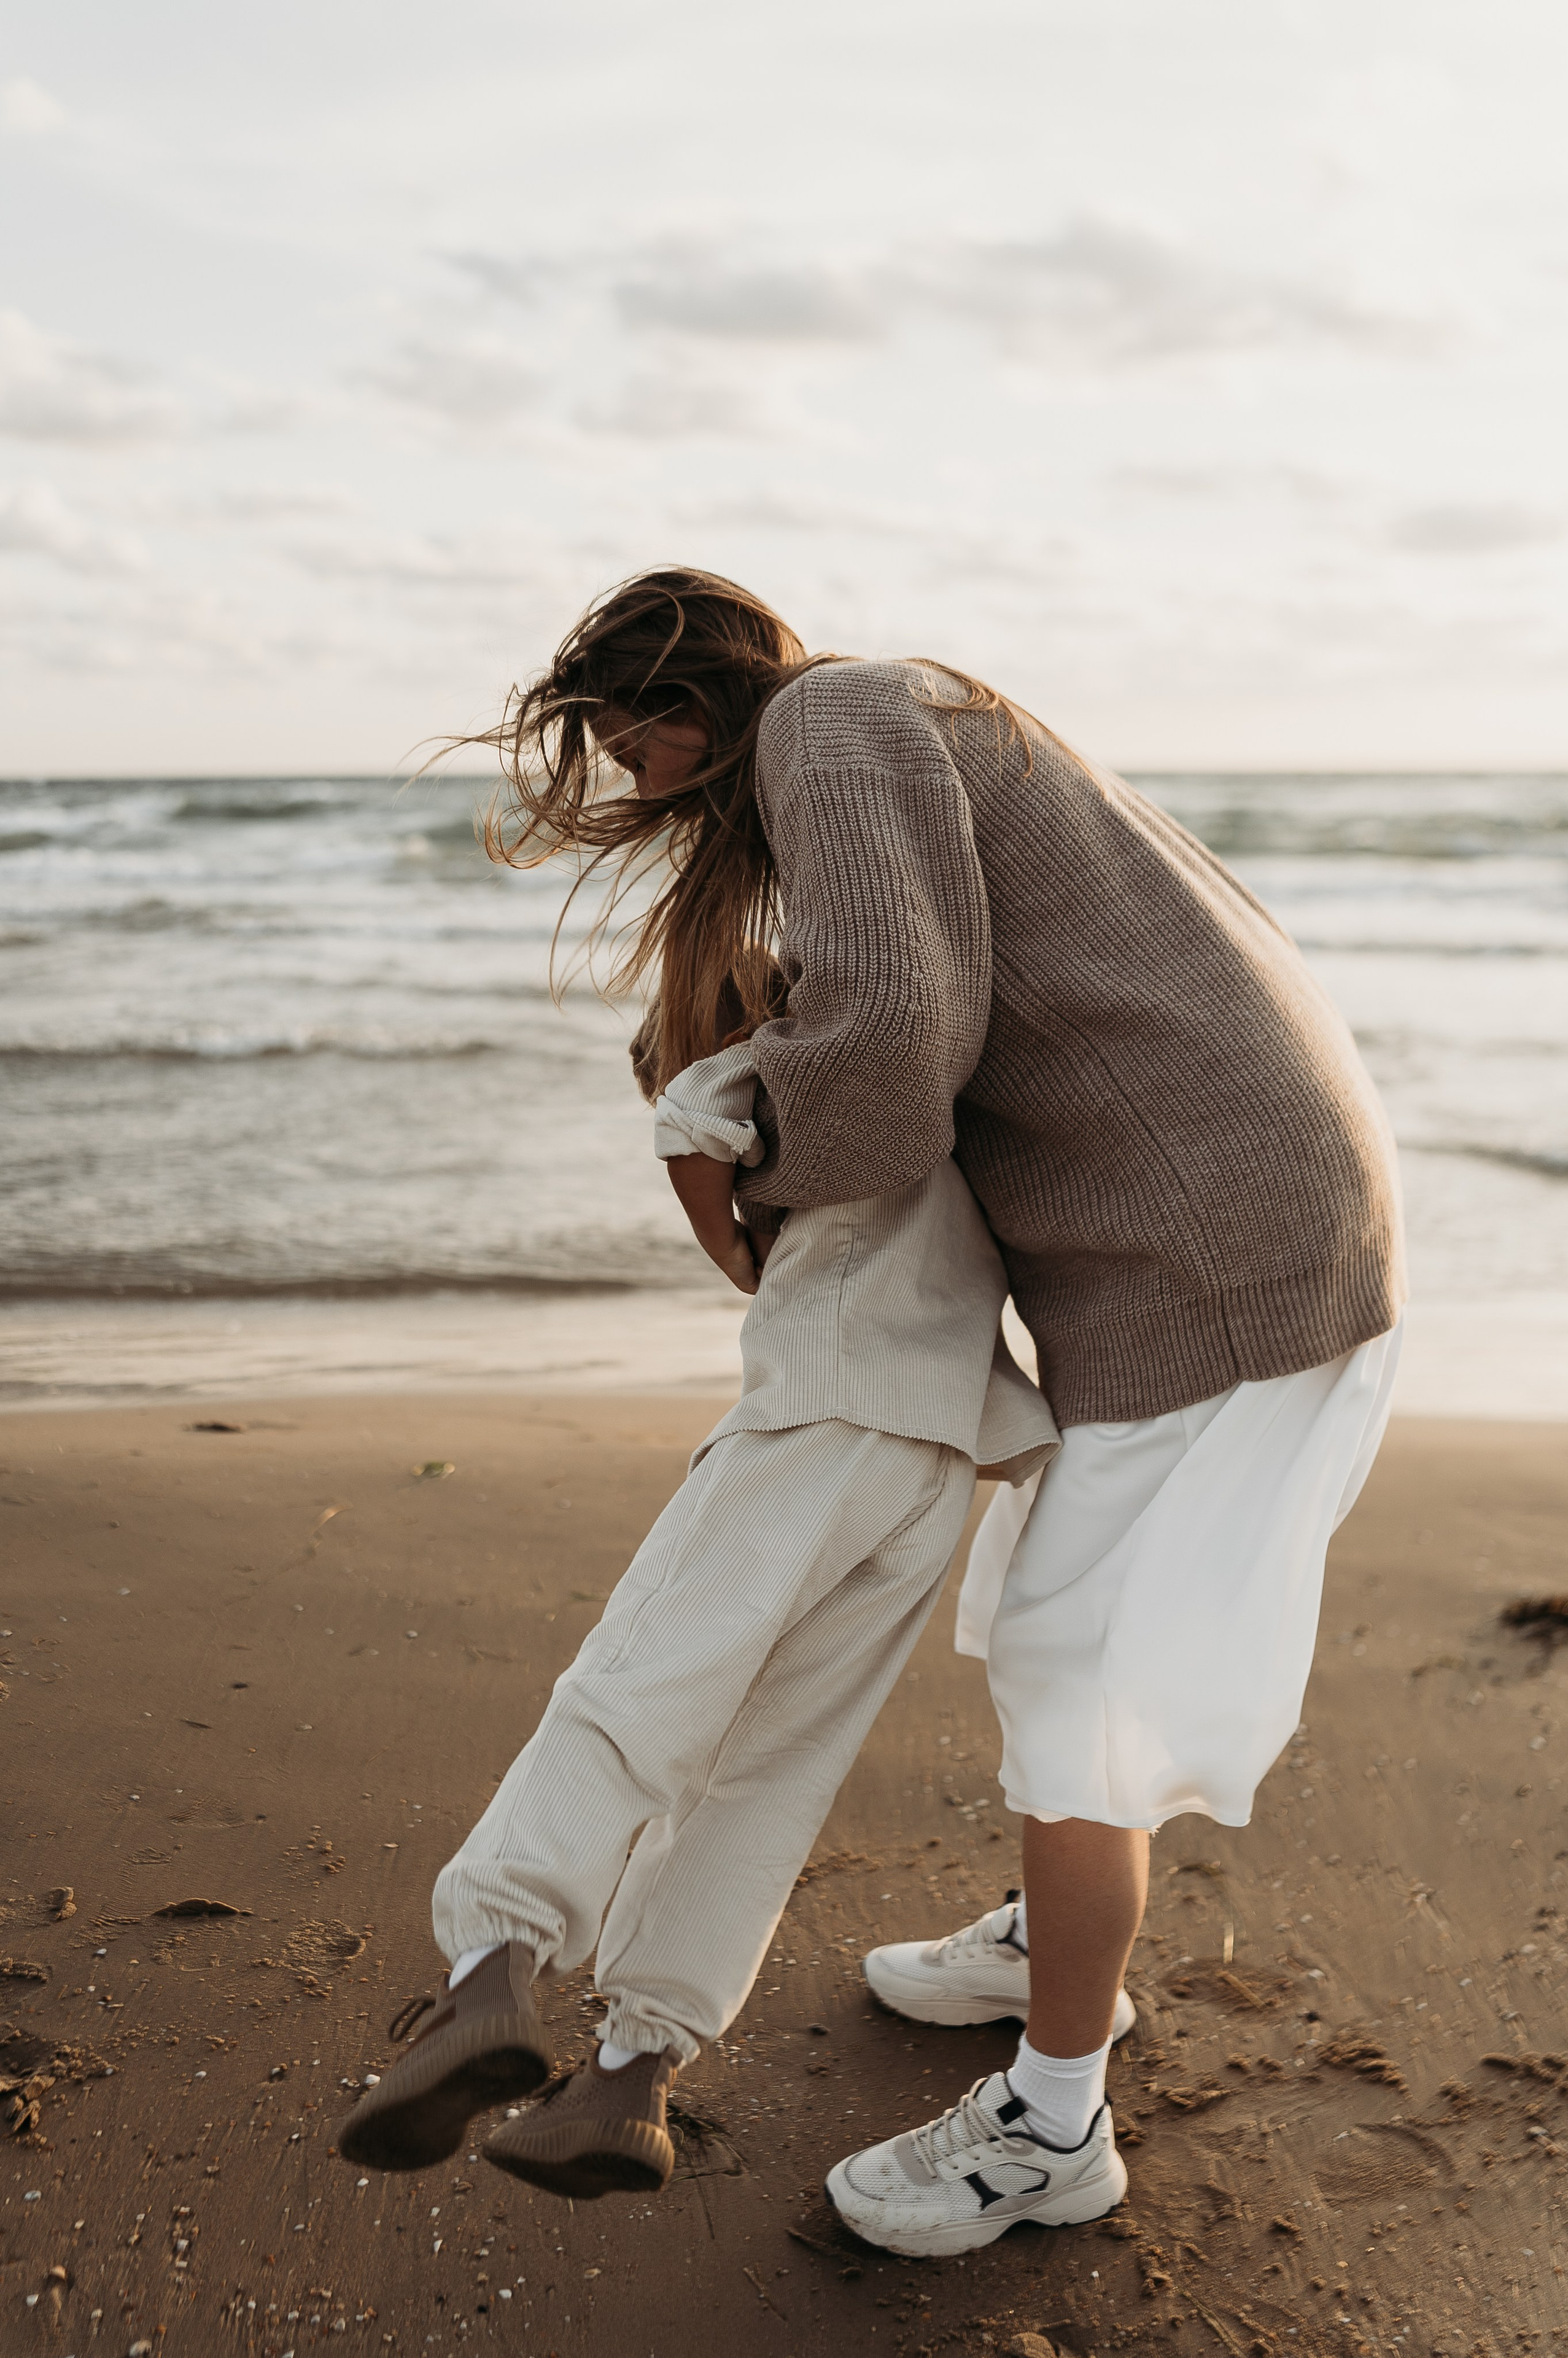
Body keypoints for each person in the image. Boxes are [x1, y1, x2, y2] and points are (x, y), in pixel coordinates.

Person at [343, 564, 1405, 2257]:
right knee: (1027, 1662)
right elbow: (931, 1039)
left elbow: (903, 1043)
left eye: (619, 748)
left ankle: (1055, 2119)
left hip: (1213, 1264)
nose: (624, 787)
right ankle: (1036, 1952)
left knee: (1061, 1691)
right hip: (1210, 1245)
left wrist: (760, 1171)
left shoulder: (833, 716)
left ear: (668, 710)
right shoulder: (909, 720)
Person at [336, 994, 1068, 2203]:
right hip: (931, 1471)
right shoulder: (932, 1106)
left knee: (635, 1690)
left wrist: (731, 1251)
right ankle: (631, 2074)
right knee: (770, 1776)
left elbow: (691, 1115)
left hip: (810, 1425)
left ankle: (494, 1962)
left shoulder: (790, 1057)